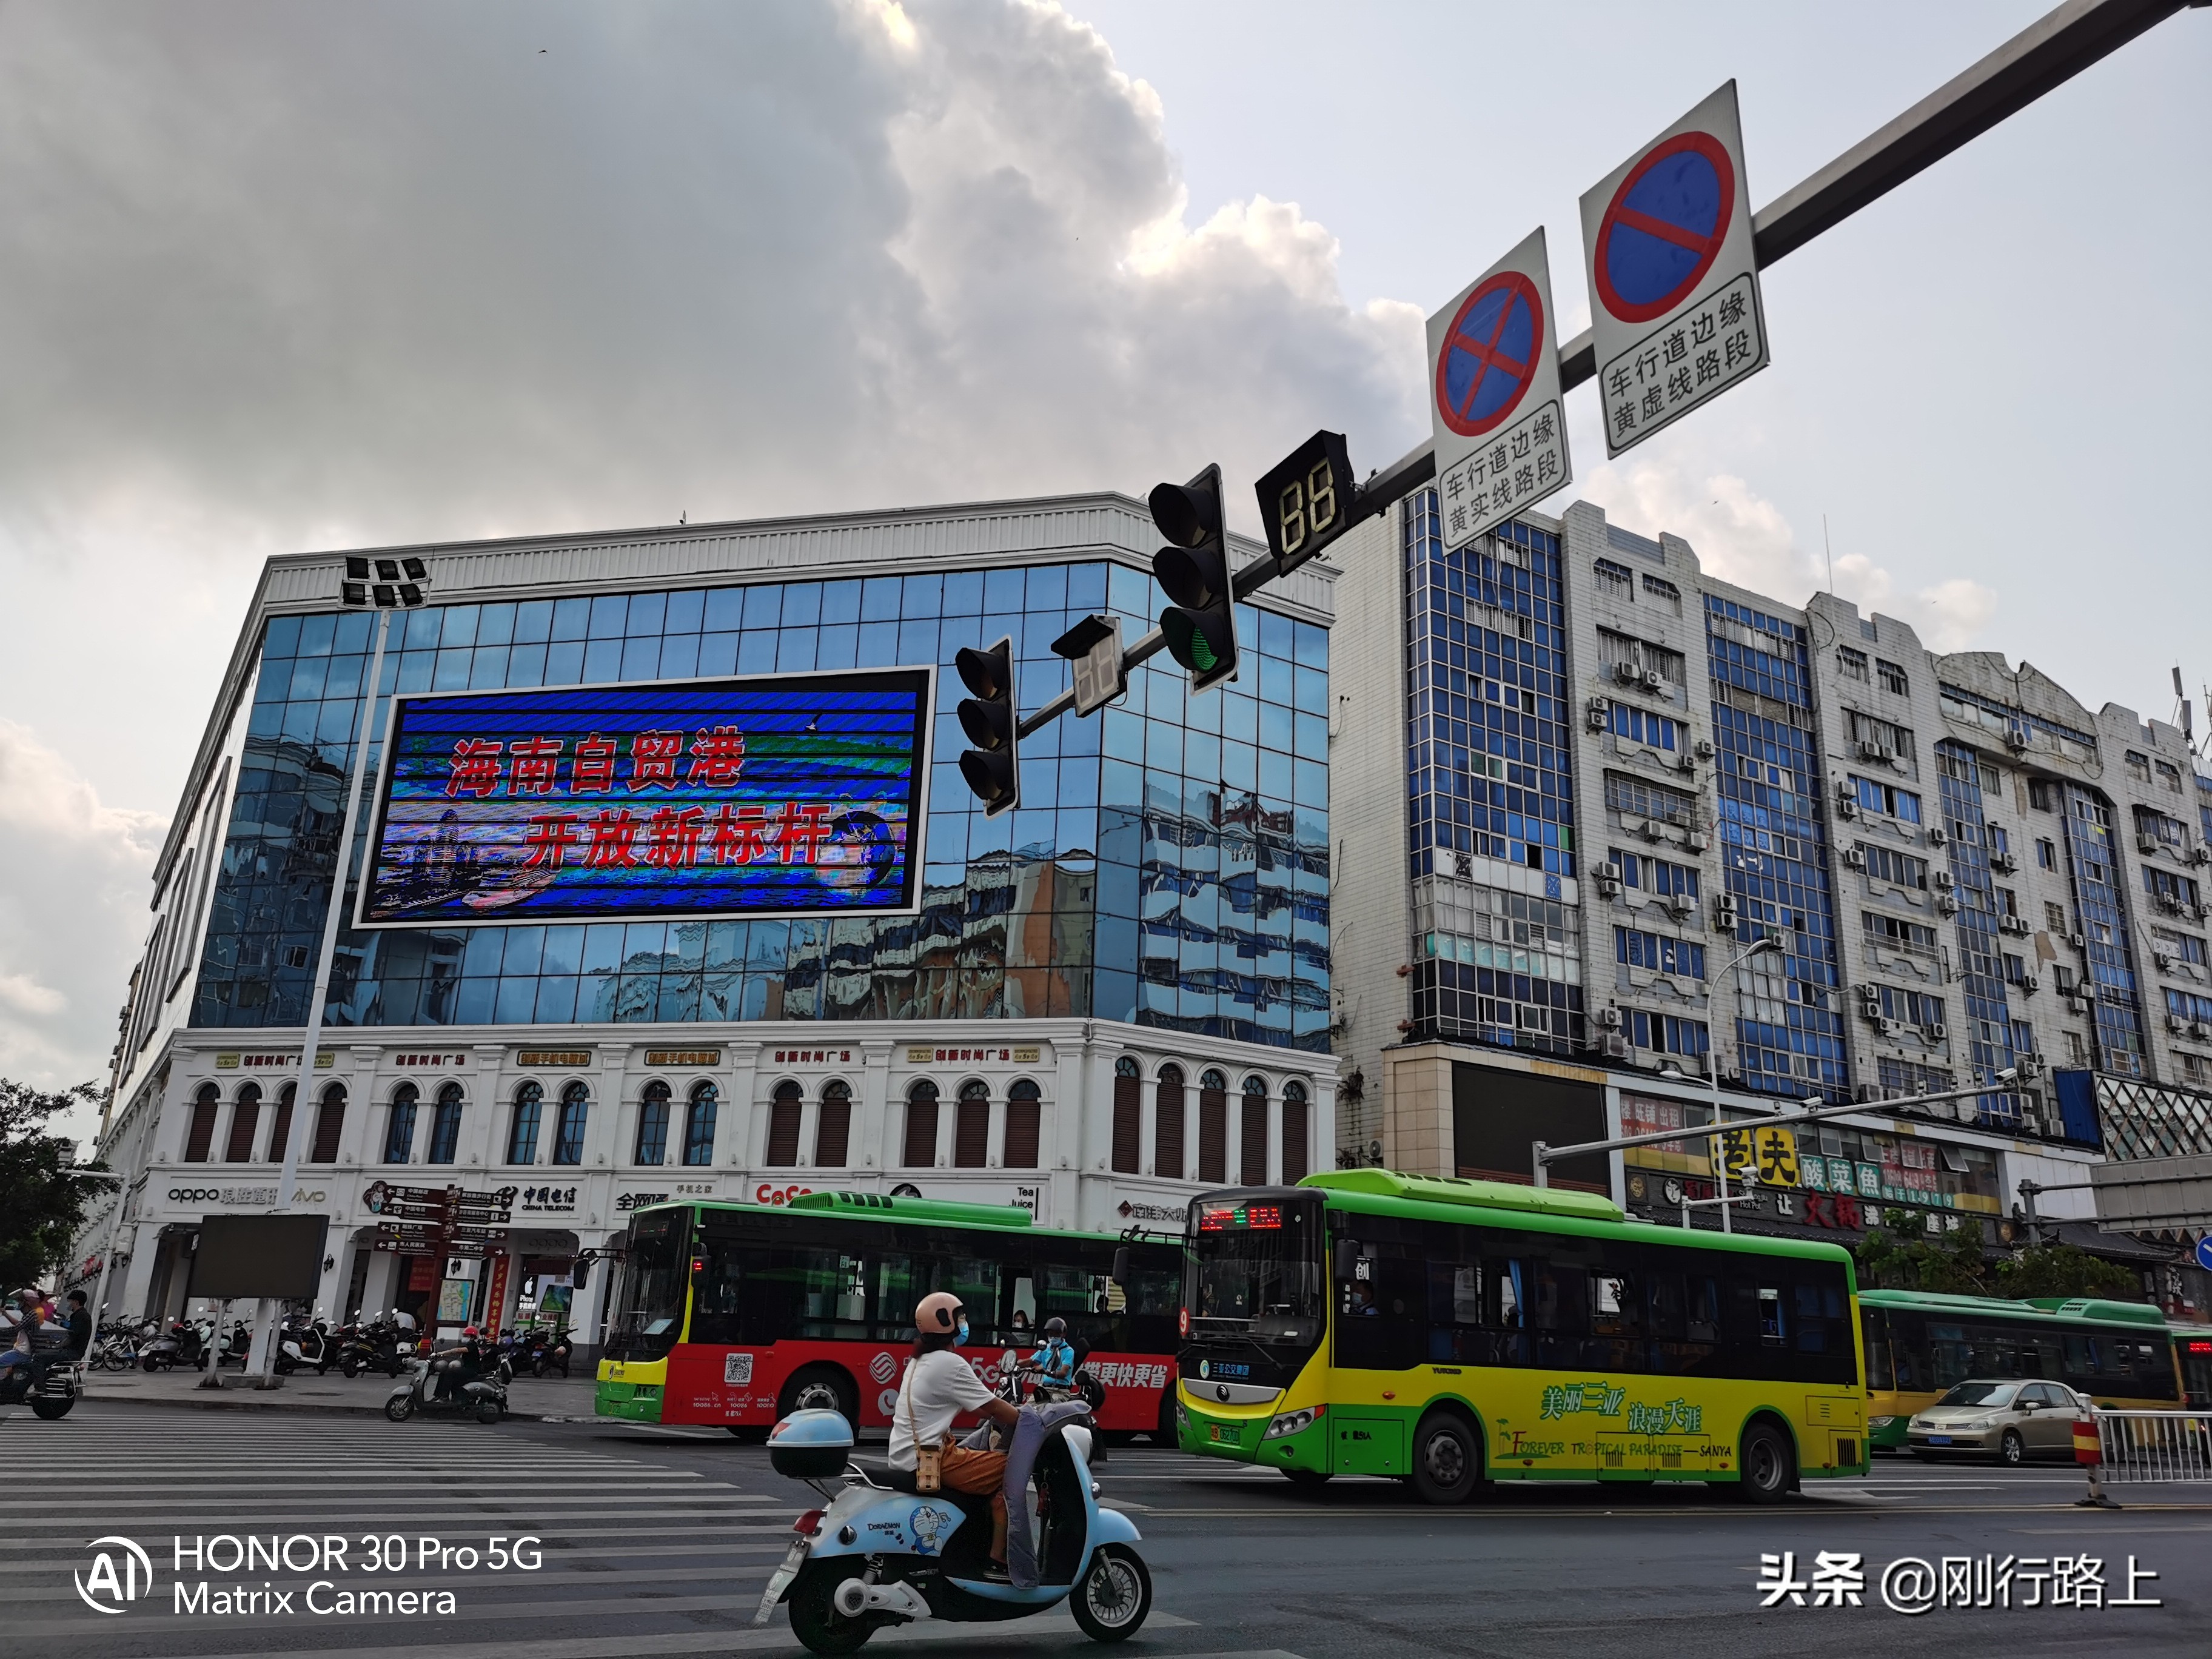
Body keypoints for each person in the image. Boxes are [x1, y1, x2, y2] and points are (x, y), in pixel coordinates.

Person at [889, 1292, 1019, 1577]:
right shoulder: (950, 1363)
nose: (965, 1324)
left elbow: (984, 1411)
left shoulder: (920, 1361)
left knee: (983, 1461)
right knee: (1014, 1466)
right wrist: (1031, 1419)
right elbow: (996, 1408)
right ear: (945, 1322)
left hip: (910, 1456)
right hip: (933, 1460)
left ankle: (975, 1544)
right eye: (961, 1318)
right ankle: (999, 1560)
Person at [1028, 1316, 1077, 1391]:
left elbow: (1063, 1373)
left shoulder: (1068, 1351)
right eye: (1050, 1334)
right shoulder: (1046, 1348)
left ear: (1064, 1334)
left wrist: (1045, 1371)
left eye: (1056, 1334)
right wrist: (1012, 1365)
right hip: (1045, 1388)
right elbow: (1031, 1361)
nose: (1053, 1337)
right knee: (1030, 1403)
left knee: (1055, 1401)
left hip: (1060, 1390)